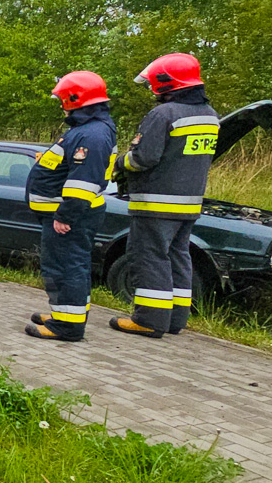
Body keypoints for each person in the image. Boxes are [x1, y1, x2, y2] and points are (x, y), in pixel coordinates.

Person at [109, 53, 219, 339]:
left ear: (165, 82)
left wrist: (120, 163)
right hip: (189, 203)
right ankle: (175, 319)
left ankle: (149, 319)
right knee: (178, 256)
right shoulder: (210, 115)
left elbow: (143, 158)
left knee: (149, 256)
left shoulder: (163, 114)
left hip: (156, 201)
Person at [23, 71, 117, 341]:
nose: (62, 105)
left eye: (63, 100)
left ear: (75, 99)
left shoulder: (92, 135)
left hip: (69, 216)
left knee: (66, 266)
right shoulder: (89, 129)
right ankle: (66, 314)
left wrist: (66, 215)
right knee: (70, 264)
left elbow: (83, 182)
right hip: (68, 214)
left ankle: (67, 326)